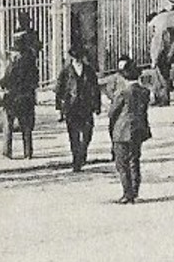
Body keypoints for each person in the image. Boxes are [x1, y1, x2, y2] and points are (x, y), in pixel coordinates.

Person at [107, 59, 153, 204]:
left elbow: (112, 112)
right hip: (138, 130)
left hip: (121, 131)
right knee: (134, 160)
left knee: (122, 163)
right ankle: (134, 191)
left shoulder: (123, 93)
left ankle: (127, 193)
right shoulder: (144, 91)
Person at [55, 45, 103, 172]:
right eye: (75, 57)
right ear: (72, 57)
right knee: (73, 135)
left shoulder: (89, 70)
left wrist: (97, 106)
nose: (78, 59)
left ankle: (83, 151)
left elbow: (96, 89)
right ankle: (76, 159)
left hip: (86, 105)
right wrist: (59, 108)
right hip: (71, 107)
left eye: (79, 57)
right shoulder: (66, 71)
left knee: (88, 132)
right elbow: (59, 90)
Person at [0, 33, 38, 159]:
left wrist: (2, 83)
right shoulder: (31, 62)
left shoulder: (14, 64)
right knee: (26, 127)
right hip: (27, 98)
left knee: (8, 126)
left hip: (13, 99)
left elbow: (5, 80)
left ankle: (7, 152)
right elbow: (35, 80)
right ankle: (28, 152)